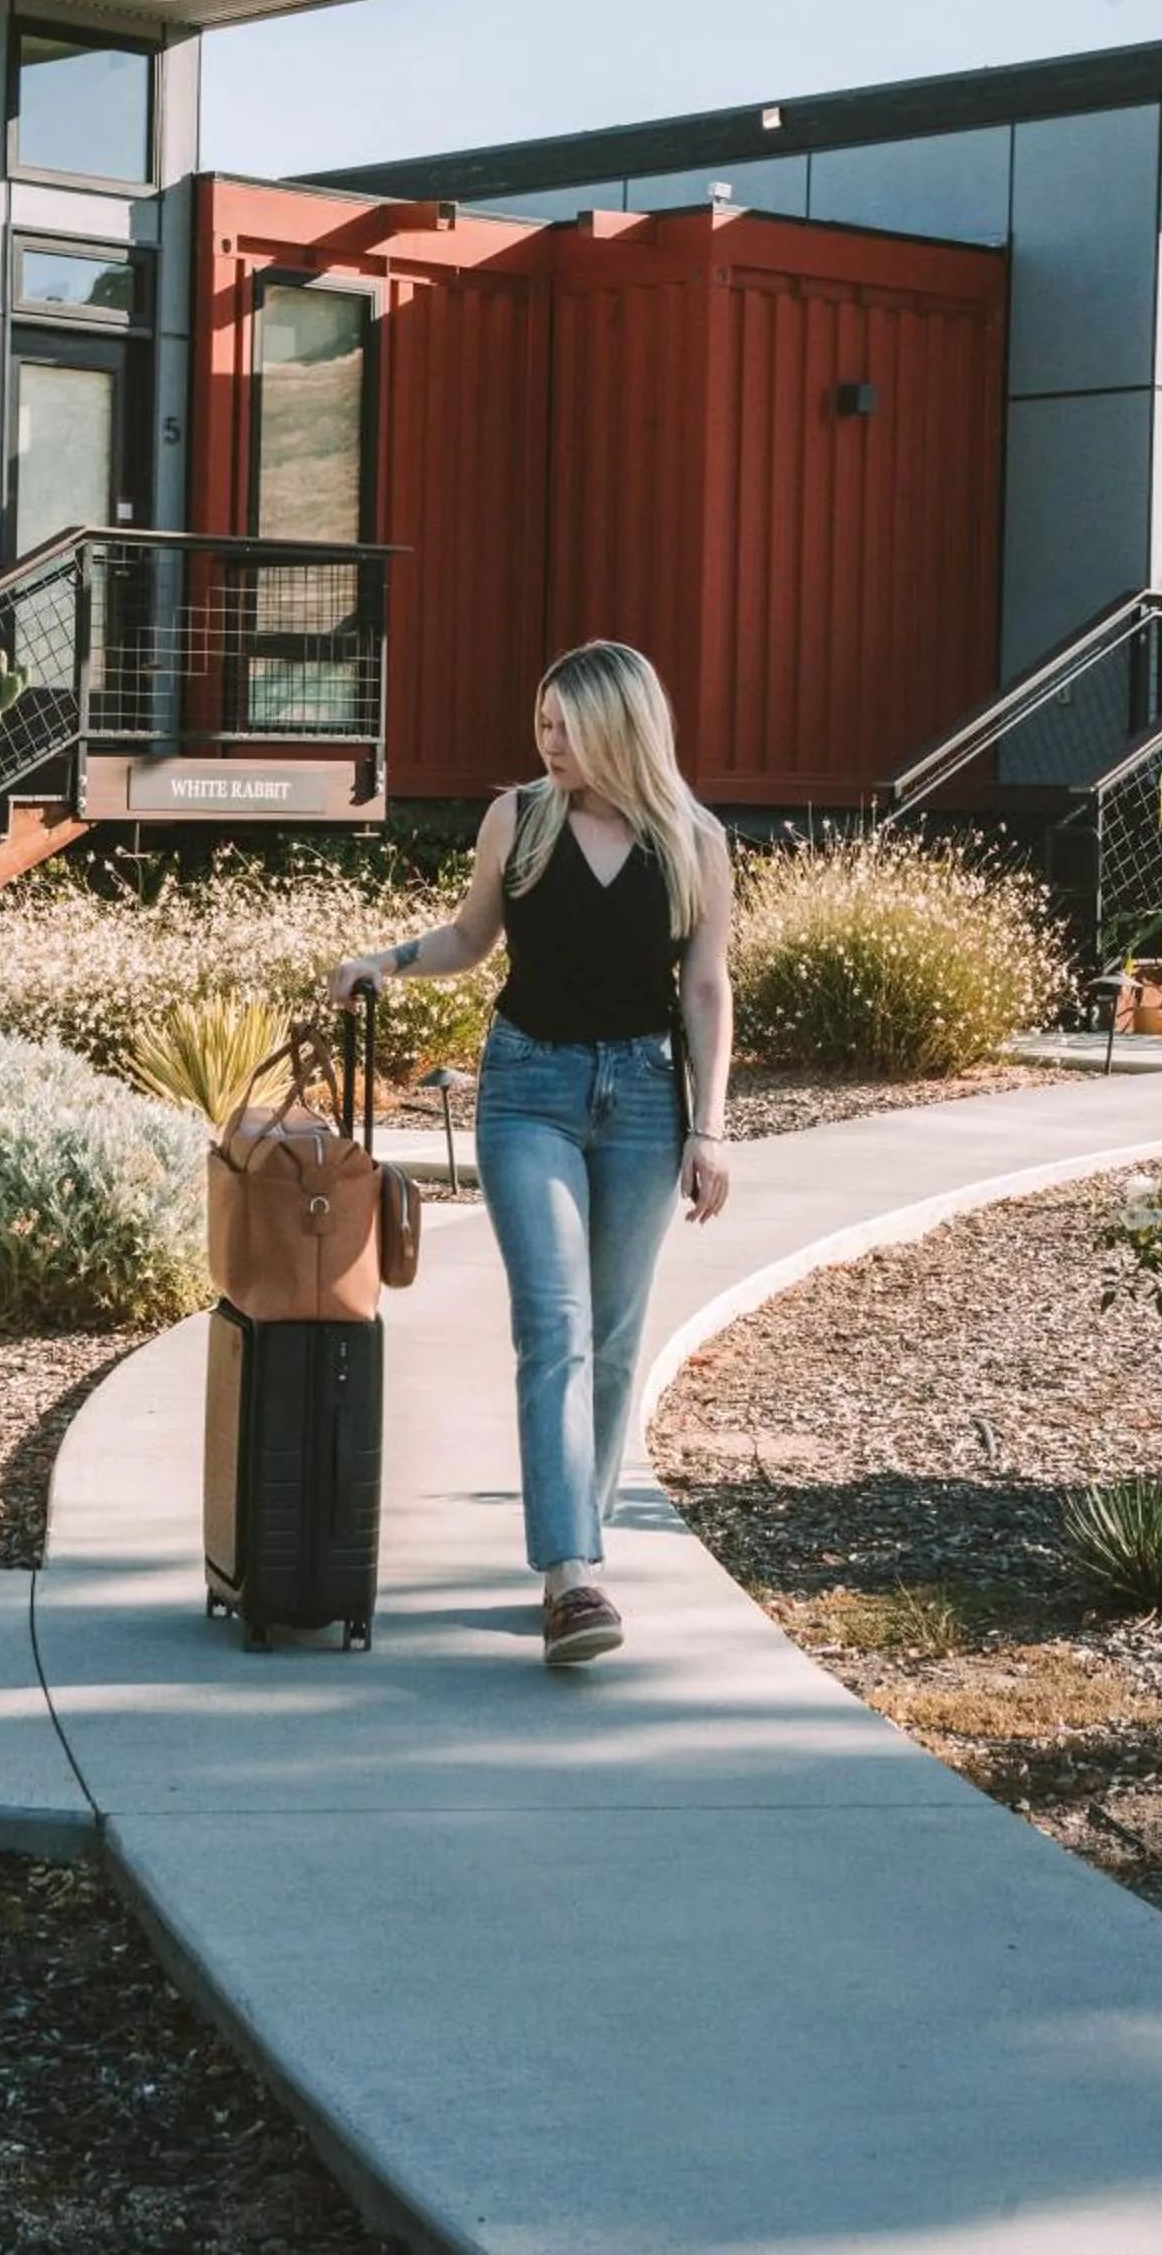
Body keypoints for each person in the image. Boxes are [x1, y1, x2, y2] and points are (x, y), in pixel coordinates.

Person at [330, 640, 732, 1668]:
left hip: (645, 1099)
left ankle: (577, 1547)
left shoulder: (692, 840)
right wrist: (385, 960)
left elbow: (703, 989)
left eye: (565, 726)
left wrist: (711, 1128)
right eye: (541, 722)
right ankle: (568, 1577)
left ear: (619, 727)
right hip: (530, 1091)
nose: (546, 741)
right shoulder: (519, 820)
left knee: (610, 1334)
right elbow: (472, 938)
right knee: (553, 1323)